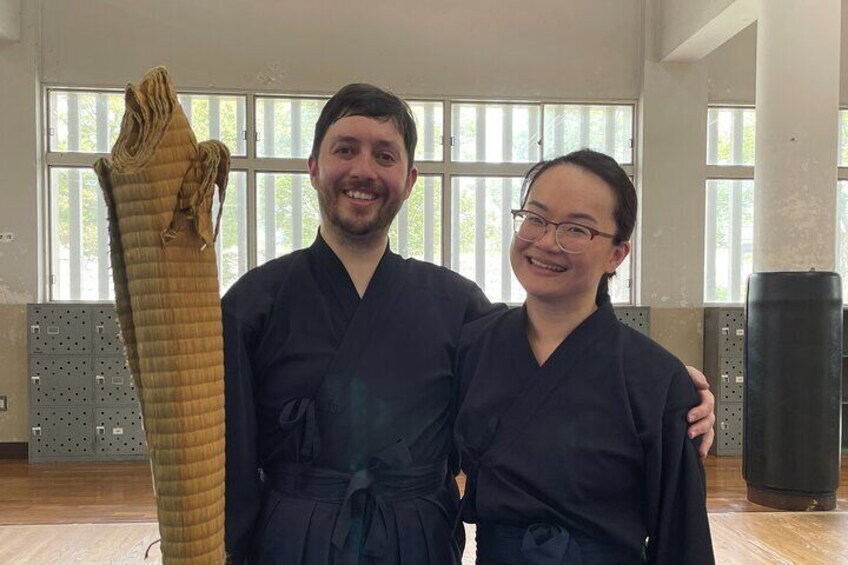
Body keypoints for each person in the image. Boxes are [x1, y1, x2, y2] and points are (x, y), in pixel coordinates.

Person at [222, 84, 715, 564]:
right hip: (295, 537)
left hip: (417, 538)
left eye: (385, 156)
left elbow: (557, 366)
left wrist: (673, 396)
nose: (363, 170)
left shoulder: (457, 306)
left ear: (411, 179)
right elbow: (226, 459)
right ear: (313, 167)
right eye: (345, 150)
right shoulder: (254, 303)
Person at [454, 149, 715, 564]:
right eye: (535, 218)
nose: (545, 241)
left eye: (576, 229)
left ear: (617, 254)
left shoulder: (658, 381)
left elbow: (683, 541)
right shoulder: (470, 350)